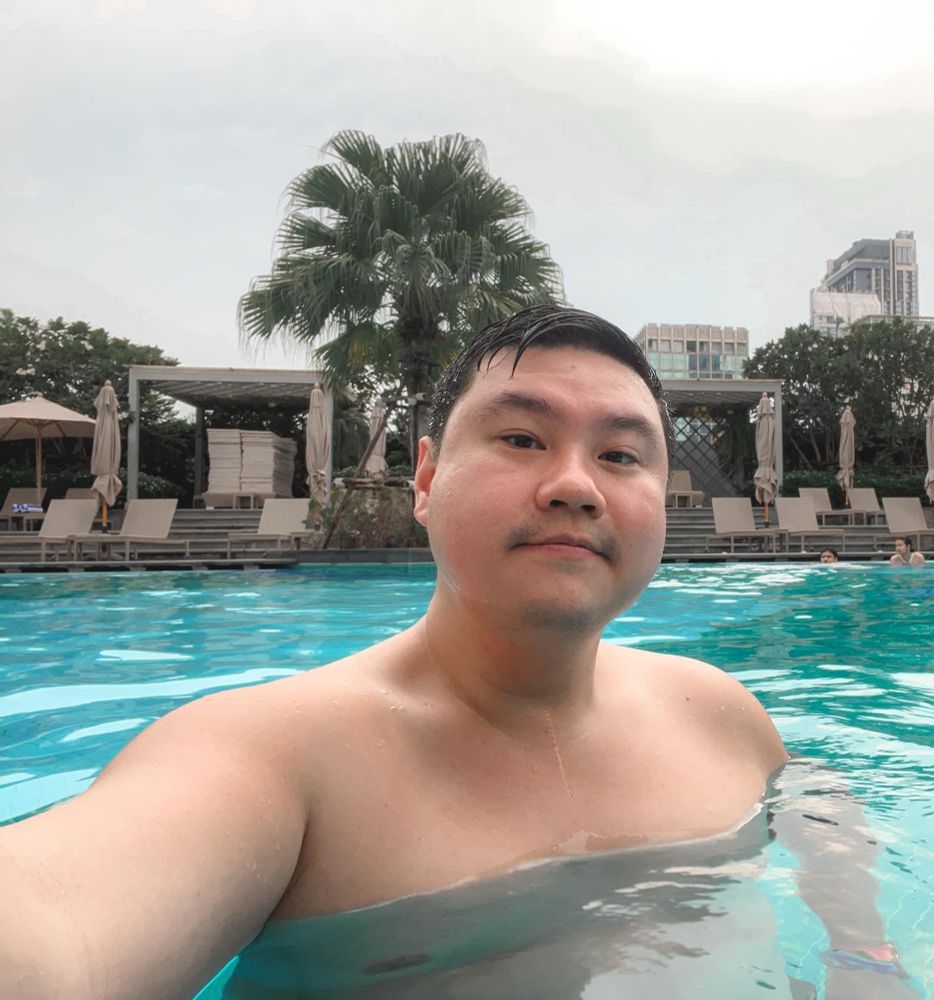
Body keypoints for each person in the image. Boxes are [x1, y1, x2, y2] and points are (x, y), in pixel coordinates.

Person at [0, 307, 914, 999]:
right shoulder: (277, 761)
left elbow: (818, 798)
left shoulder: (714, 708)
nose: (575, 486)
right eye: (521, 438)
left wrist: (863, 954)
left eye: (621, 456)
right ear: (428, 478)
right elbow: (56, 929)